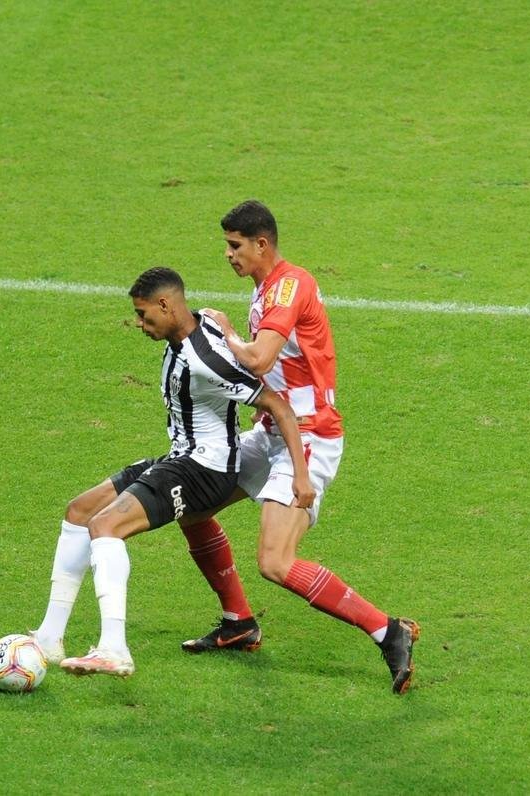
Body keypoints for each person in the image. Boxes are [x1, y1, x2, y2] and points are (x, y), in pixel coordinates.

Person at [180, 199, 420, 694]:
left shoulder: (290, 284)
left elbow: (260, 358)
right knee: (194, 506)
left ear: (261, 243)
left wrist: (225, 332)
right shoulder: (266, 290)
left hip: (307, 439)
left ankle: (387, 630)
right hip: (274, 431)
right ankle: (239, 623)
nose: (228, 254)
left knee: (275, 561)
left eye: (235, 245)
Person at [32, 266, 314, 677]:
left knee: (106, 526)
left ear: (166, 305)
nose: (140, 324)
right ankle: (49, 637)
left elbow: (278, 406)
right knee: (80, 511)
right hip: (181, 458)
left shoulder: (205, 360)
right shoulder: (197, 326)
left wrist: (301, 476)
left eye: (144, 314)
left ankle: (113, 649)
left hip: (205, 470)